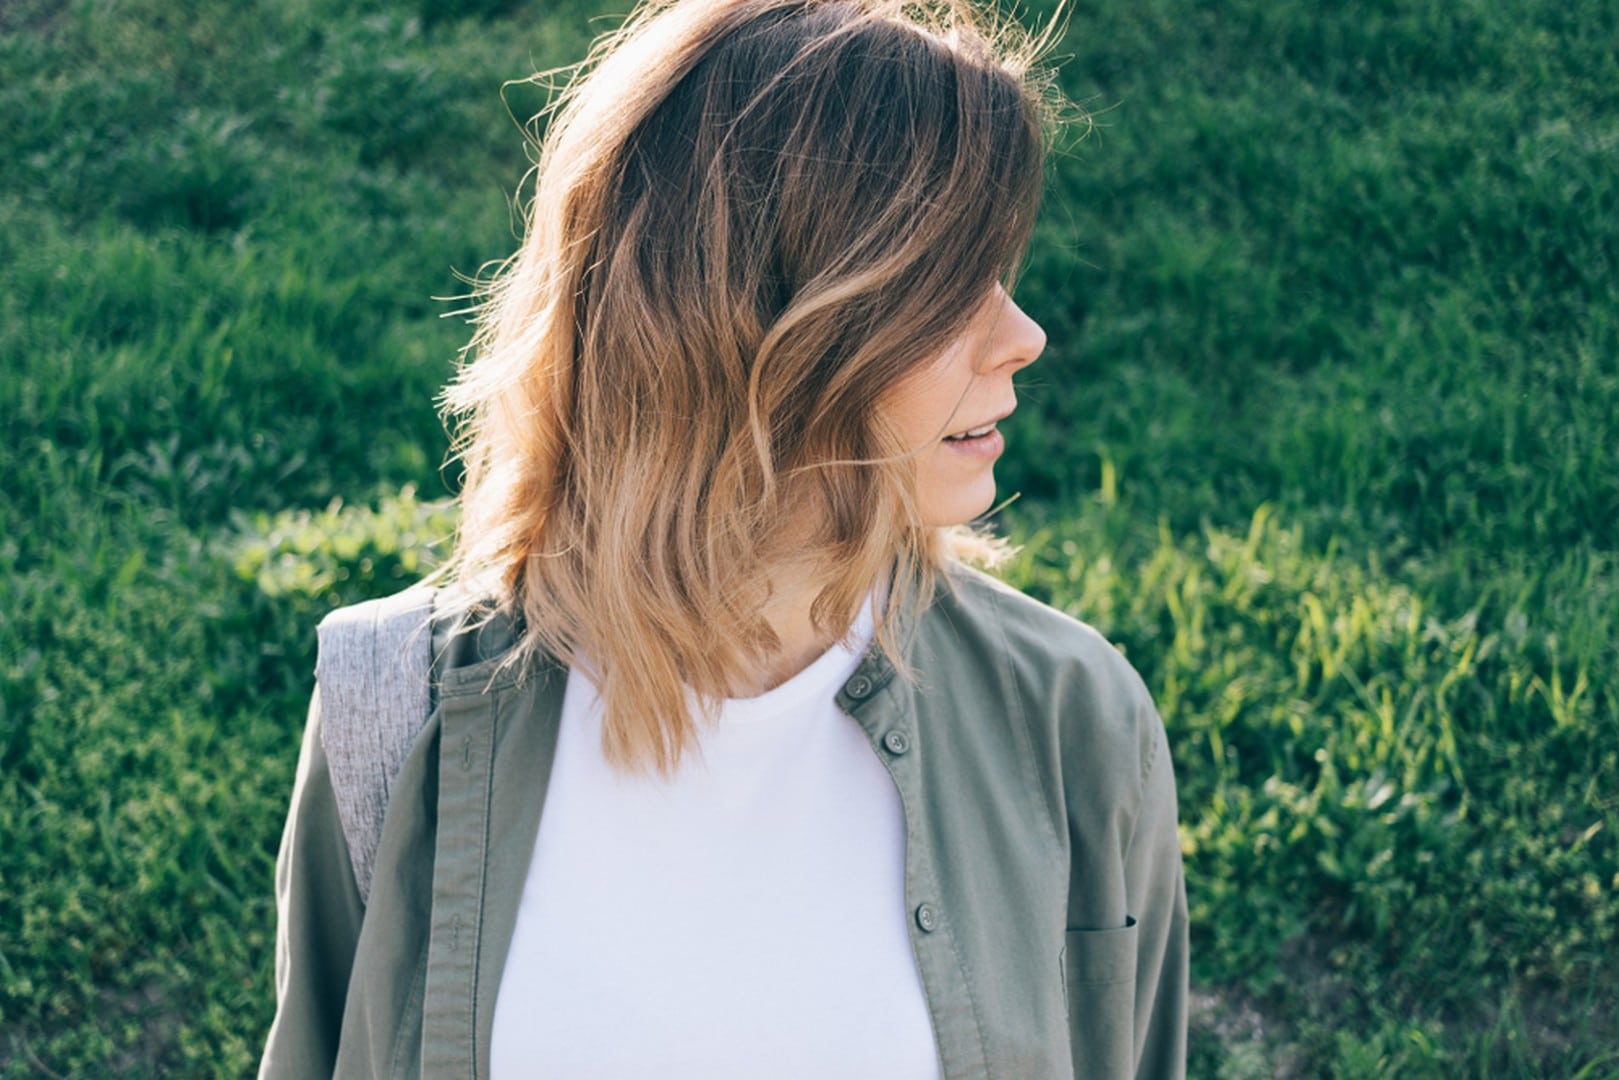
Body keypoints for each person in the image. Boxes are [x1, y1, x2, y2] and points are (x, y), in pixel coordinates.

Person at [258, 0, 1189, 1076]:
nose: (1020, 337)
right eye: (946, 292)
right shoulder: (394, 707)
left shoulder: (1071, 722)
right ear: (743, 326)